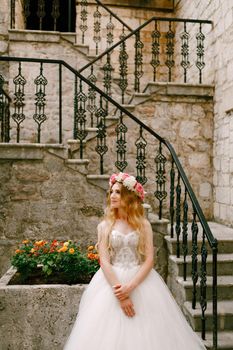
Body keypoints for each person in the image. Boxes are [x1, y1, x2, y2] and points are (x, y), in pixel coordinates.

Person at [63, 172, 206, 350]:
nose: (113, 196)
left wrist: (130, 287)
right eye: (111, 192)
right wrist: (120, 294)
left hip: (140, 281)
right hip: (111, 282)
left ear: (129, 197)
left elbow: (149, 260)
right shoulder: (105, 226)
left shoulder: (143, 224)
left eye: (118, 192)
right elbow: (104, 262)